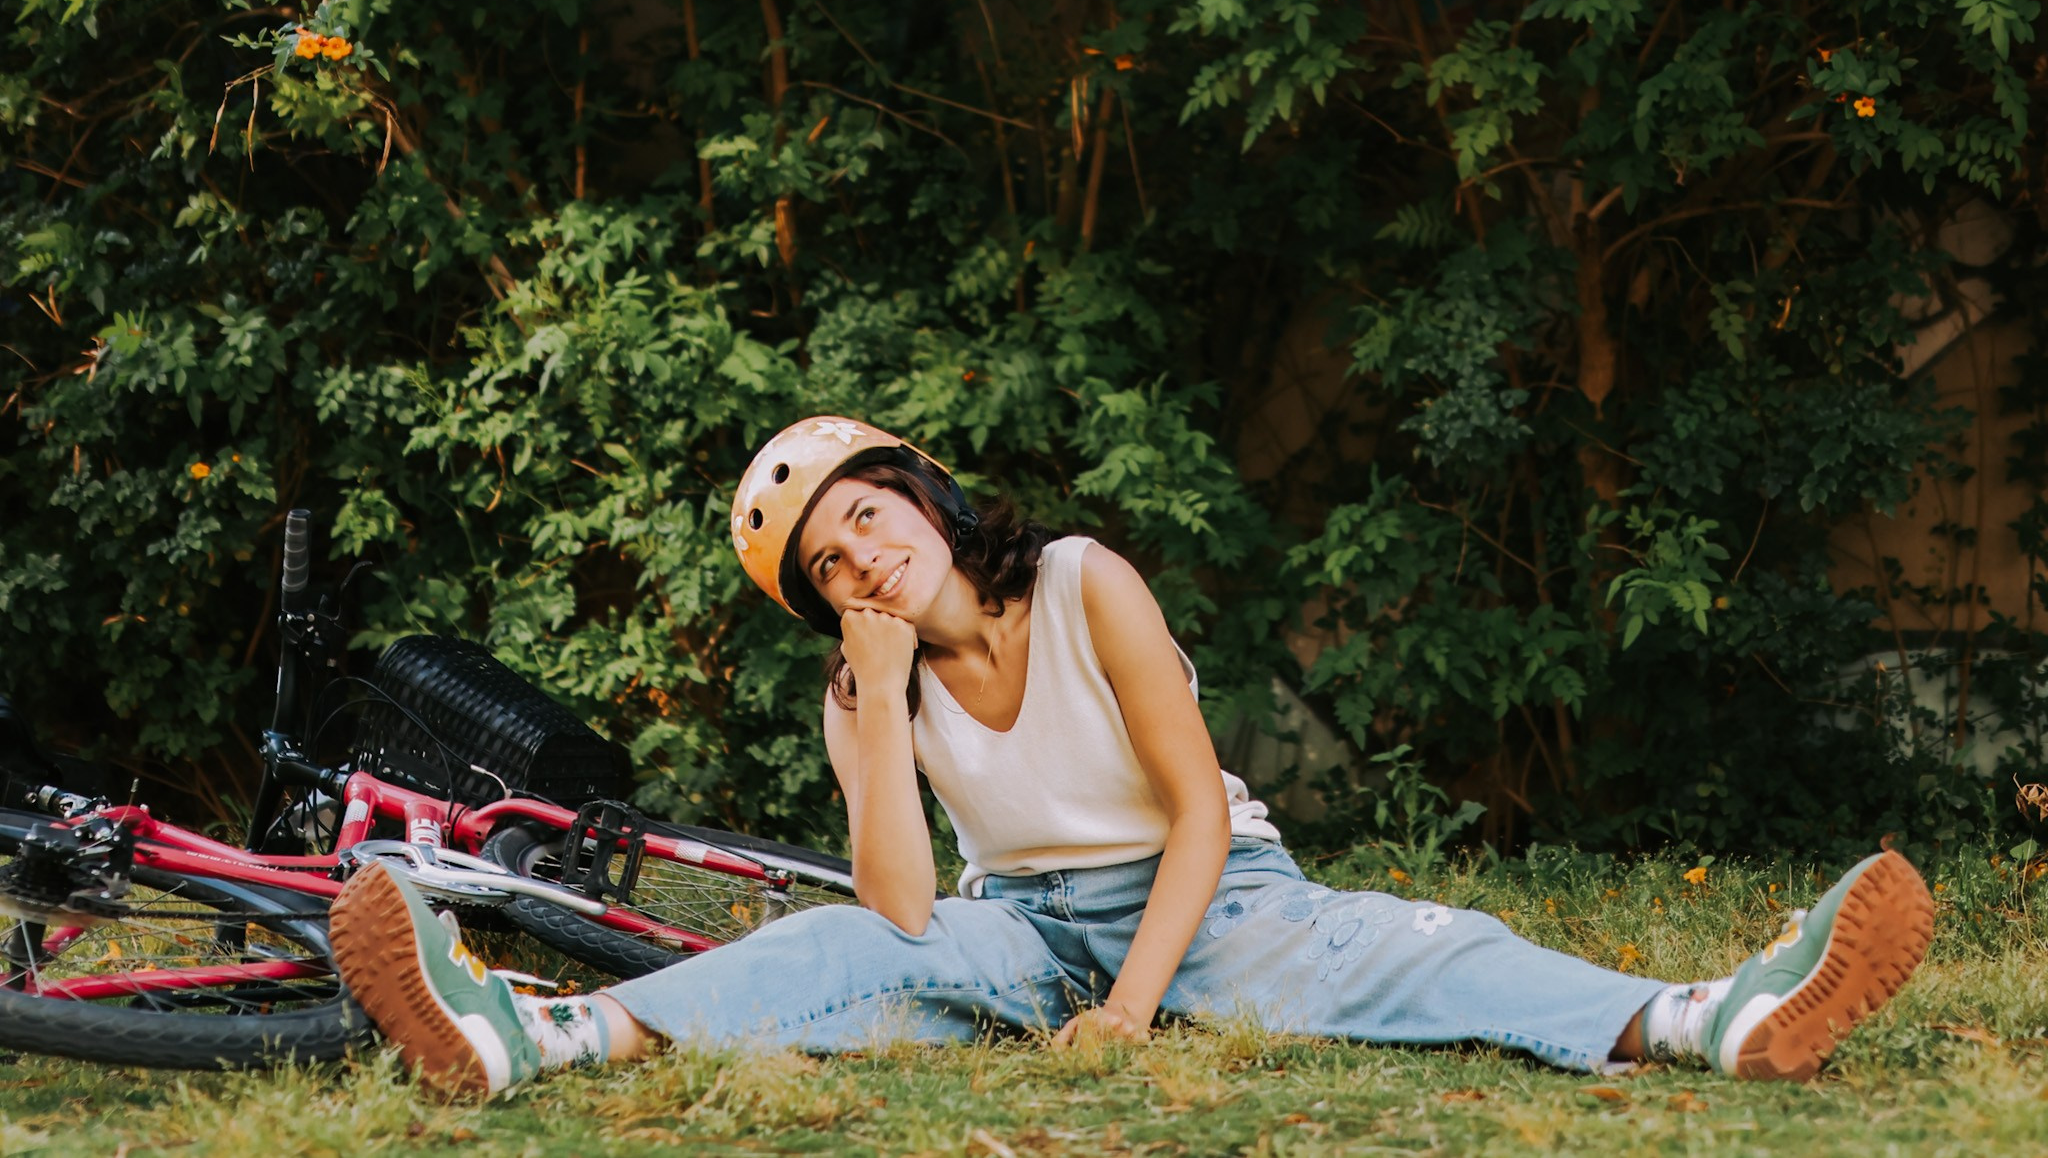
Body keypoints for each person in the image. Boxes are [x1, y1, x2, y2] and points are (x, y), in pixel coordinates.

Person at [328, 415, 1936, 1099]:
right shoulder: (856, 689)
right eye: (825, 563)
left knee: (1416, 958)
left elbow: (1187, 812)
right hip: (1012, 928)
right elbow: (894, 900)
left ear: (927, 497)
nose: (860, 563)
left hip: (1210, 892)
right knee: (820, 962)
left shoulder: (1086, 576)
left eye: (869, 520)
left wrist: (1129, 1005)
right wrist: (879, 705)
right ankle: (535, 1038)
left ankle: (1710, 1018)